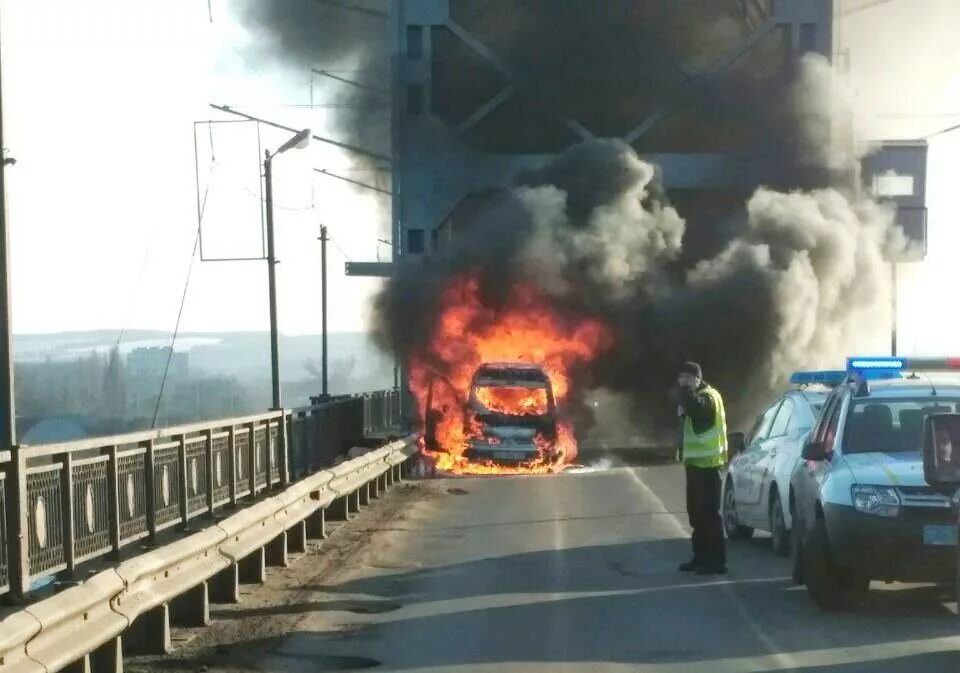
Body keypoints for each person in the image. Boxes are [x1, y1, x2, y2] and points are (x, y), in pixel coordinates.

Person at [675, 361, 728, 575]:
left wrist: (687, 394)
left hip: (709, 467)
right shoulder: (692, 397)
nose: (684, 383)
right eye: (681, 379)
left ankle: (716, 562)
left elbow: (699, 411)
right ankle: (700, 557)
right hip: (695, 466)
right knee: (696, 515)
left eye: (688, 379)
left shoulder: (708, 397)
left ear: (698, 379)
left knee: (708, 515)